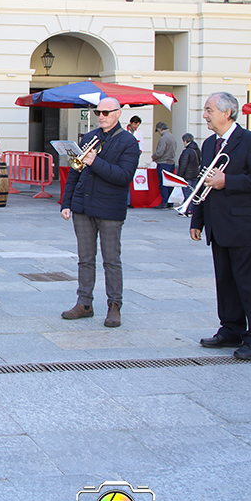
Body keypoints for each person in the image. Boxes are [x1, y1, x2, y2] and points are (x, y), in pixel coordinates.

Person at [190, 91, 251, 360]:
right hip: (218, 225)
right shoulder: (208, 144)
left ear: (227, 113)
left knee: (248, 285)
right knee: (225, 282)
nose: (205, 115)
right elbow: (205, 183)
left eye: (209, 110)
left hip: (244, 226)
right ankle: (230, 329)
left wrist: (229, 181)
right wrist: (198, 219)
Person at [60, 97, 139, 328]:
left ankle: (114, 305)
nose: (101, 116)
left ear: (118, 113)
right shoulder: (89, 137)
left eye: (106, 112)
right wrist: (66, 203)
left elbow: (124, 177)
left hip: (110, 209)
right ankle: (84, 303)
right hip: (83, 207)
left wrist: (95, 162)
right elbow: (75, 172)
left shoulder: (128, 142)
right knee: (85, 259)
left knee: (111, 260)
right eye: (98, 112)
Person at [152, 121, 179, 208]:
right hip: (171, 162)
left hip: (163, 163)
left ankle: (164, 202)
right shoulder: (172, 137)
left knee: (163, 184)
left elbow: (160, 152)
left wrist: (154, 156)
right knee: (170, 183)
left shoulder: (163, 138)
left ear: (160, 129)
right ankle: (170, 202)